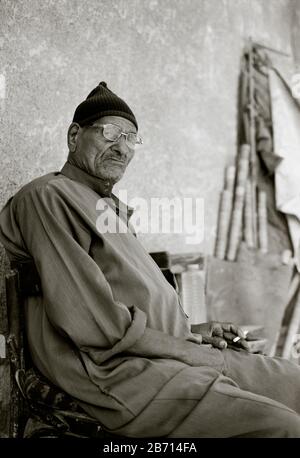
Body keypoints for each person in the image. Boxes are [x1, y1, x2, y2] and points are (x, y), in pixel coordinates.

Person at [1, 81, 300, 438]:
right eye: (111, 133)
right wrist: (190, 352)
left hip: (165, 353)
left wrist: (194, 333)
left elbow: (129, 301)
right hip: (115, 372)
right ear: (74, 136)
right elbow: (94, 323)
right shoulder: (48, 197)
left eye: (131, 138)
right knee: (283, 428)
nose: (123, 148)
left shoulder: (108, 207)